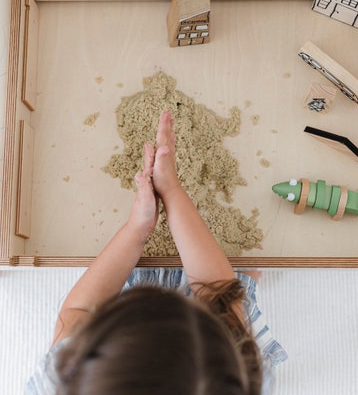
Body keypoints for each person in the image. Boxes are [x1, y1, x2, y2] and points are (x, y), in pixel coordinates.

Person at [26, 110, 287, 394]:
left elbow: (78, 309)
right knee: (239, 284)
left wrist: (136, 229)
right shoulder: (237, 376)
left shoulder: (60, 380)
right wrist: (171, 189)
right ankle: (245, 284)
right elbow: (218, 292)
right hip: (222, 333)